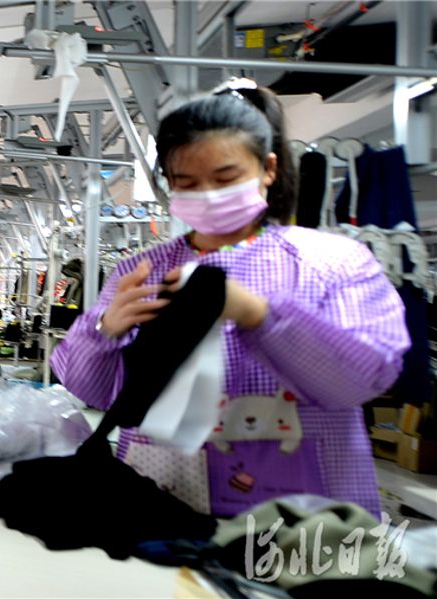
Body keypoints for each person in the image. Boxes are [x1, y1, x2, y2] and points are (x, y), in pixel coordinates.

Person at [51, 83, 409, 518]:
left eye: (225, 179)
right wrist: (104, 331)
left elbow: (364, 379)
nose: (207, 194)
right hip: (161, 495)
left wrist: (259, 316)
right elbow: (93, 392)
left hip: (304, 510)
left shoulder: (333, 262)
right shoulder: (142, 271)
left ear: (268, 168)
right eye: (187, 183)